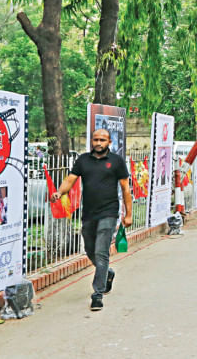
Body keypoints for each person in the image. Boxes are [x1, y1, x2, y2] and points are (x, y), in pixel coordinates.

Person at [51, 128, 132, 311]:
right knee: (89, 249)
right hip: (88, 213)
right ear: (91, 141)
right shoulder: (83, 160)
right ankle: (107, 272)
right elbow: (70, 180)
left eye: (102, 140)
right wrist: (59, 192)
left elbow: (126, 189)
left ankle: (97, 294)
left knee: (101, 251)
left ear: (109, 142)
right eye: (96, 139)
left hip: (109, 212)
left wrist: (128, 214)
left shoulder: (116, 161)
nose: (98, 143)